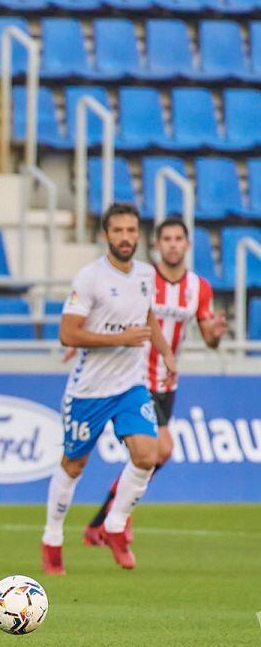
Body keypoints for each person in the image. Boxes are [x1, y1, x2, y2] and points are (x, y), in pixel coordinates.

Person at [41, 202, 177, 575]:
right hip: (89, 390)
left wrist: (165, 353)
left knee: (148, 454)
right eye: (118, 231)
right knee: (74, 464)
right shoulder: (89, 278)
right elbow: (68, 333)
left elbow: (147, 316)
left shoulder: (147, 274)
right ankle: (52, 537)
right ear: (106, 235)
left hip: (131, 386)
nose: (126, 237)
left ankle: (114, 525)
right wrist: (119, 339)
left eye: (132, 231)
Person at [82, 216, 226, 546]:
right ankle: (116, 518)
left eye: (179, 239)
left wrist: (215, 335)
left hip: (167, 381)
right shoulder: (143, 279)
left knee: (154, 454)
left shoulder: (199, 288)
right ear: (157, 245)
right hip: (133, 374)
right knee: (160, 449)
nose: (173, 244)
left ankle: (101, 523)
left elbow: (208, 337)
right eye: (168, 239)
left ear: (187, 245)